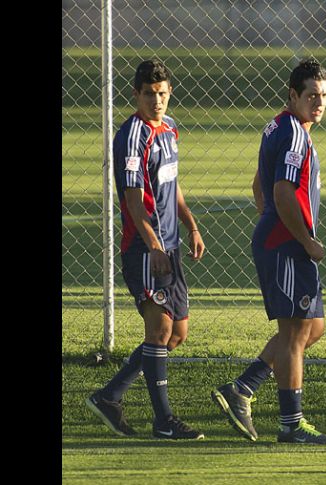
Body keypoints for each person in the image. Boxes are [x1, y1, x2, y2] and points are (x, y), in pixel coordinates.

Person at [211, 58, 326, 445]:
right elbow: (281, 192)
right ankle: (291, 424)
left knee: (313, 327)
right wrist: (303, 239)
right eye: (311, 95)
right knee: (295, 334)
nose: (319, 102)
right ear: (293, 95)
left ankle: (243, 387)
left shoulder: (279, 126)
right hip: (286, 244)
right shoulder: (295, 133)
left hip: (279, 238)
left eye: (324, 95)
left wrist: (271, 221)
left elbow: (258, 185)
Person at [85, 59, 206, 440]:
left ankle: (109, 396)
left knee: (176, 334)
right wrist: (153, 245)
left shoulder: (169, 128)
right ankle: (164, 421)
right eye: (150, 94)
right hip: (144, 248)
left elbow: (172, 183)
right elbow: (134, 201)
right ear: (136, 94)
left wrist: (191, 225)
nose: (157, 101)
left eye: (162, 93)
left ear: (170, 93)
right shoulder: (132, 136)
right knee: (159, 329)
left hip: (170, 246)